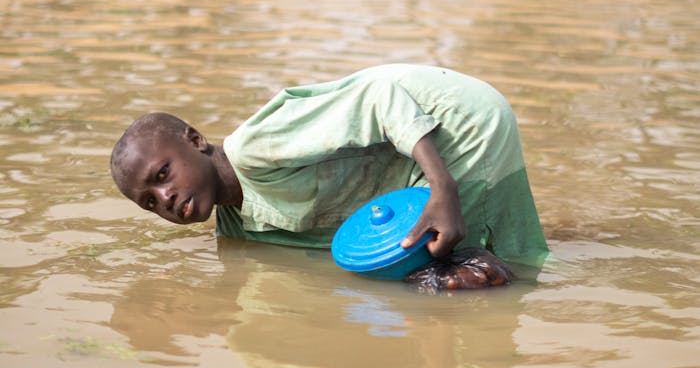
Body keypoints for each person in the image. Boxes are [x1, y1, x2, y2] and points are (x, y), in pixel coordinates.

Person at [110, 64, 550, 289]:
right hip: (417, 148)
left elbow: (378, 98)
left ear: (196, 140)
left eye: (162, 174)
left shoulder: (256, 147)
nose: (165, 197)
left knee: (448, 278)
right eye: (150, 201)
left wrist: (442, 187)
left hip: (454, 117)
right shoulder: (236, 226)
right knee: (426, 266)